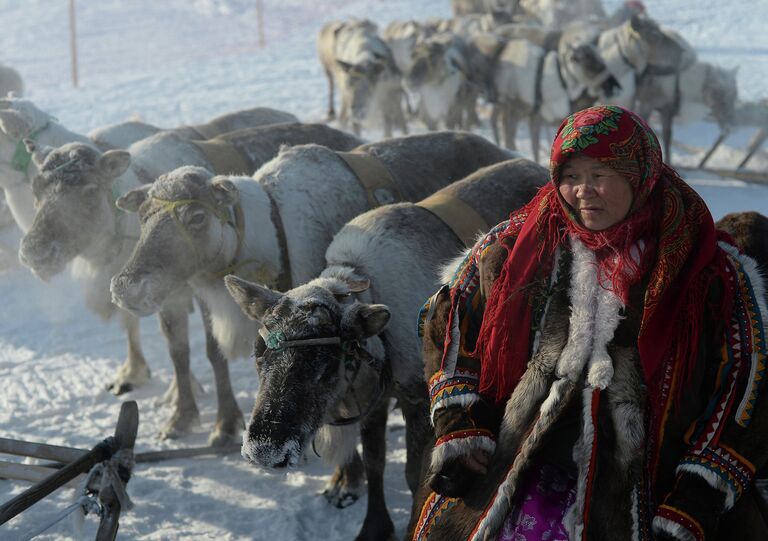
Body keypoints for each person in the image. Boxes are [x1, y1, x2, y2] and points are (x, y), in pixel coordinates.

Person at [410, 105, 768, 540]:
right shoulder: (513, 247)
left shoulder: (708, 269)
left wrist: (698, 494)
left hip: (652, 478)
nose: (583, 192)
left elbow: (747, 378)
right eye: (570, 176)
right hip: (520, 461)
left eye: (600, 175)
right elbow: (449, 323)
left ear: (639, 174)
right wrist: (459, 425)